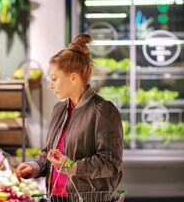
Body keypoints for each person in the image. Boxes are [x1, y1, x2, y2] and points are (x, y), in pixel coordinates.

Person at [15, 34, 123, 201]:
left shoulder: (103, 111)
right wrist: (34, 167)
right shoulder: (59, 109)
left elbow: (110, 163)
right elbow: (49, 153)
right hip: (56, 196)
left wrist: (71, 167)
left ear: (73, 77)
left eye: (54, 79)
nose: (51, 85)